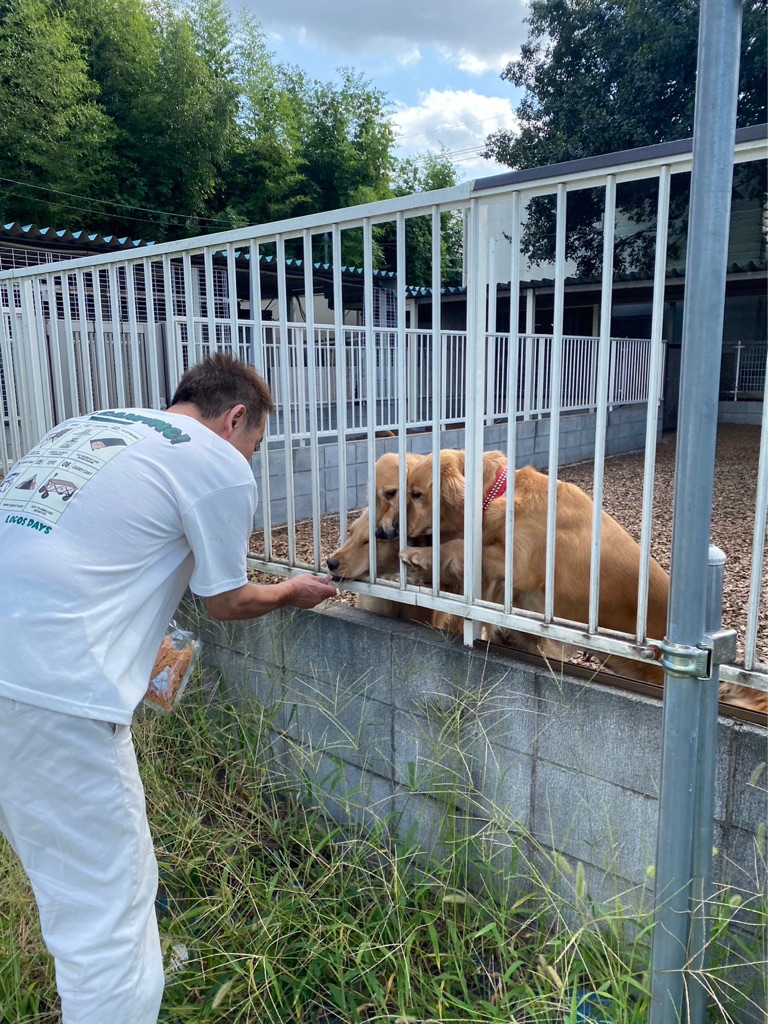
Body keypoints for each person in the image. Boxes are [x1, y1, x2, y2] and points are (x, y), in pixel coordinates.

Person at [0, 352, 336, 1024]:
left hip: (21, 668)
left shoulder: (86, 427)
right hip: (52, 695)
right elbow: (226, 600)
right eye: (256, 445)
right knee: (106, 921)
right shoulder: (215, 462)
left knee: (67, 871)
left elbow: (78, 559)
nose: (250, 459)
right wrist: (288, 591)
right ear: (236, 418)